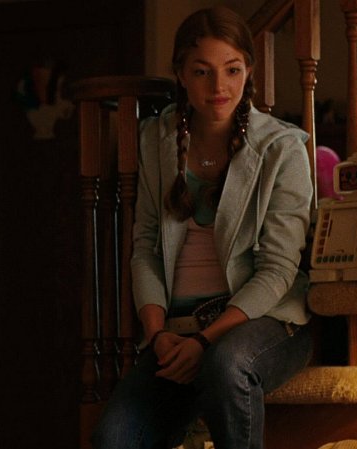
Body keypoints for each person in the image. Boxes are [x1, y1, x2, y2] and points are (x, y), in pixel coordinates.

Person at [91, 6, 313, 449]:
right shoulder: (155, 140)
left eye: (232, 70)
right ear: (180, 73)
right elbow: (145, 248)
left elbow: (278, 270)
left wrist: (205, 341)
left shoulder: (282, 149)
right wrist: (159, 334)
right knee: (114, 439)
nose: (218, 87)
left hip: (266, 321)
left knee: (227, 365)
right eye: (202, 71)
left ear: (249, 70)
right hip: (176, 330)